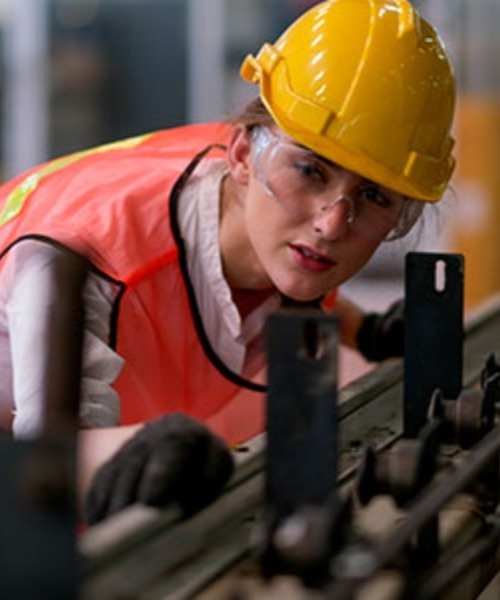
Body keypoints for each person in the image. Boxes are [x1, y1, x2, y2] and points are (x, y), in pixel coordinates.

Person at [0, 0, 455, 525]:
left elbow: (300, 275)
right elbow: (51, 462)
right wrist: (140, 451)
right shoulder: (84, 261)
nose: (333, 225)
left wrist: (367, 331)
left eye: (375, 197)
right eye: (311, 172)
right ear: (241, 154)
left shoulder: (272, 201)